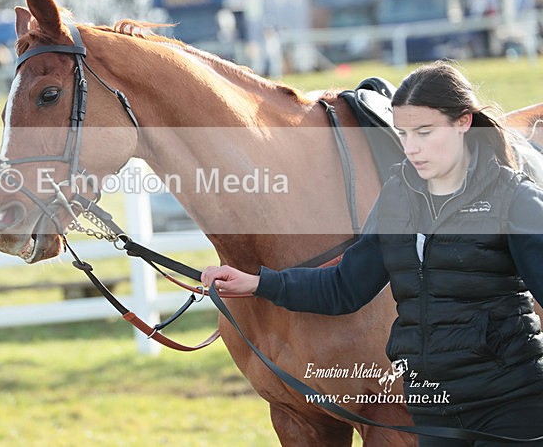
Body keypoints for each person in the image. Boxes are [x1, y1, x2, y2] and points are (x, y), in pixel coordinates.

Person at [202, 61, 543, 445]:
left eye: (425, 133)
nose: (411, 148)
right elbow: (345, 286)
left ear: (463, 123)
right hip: (432, 407)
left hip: (511, 404)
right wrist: (259, 283)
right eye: (404, 134)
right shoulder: (398, 198)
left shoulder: (514, 199)